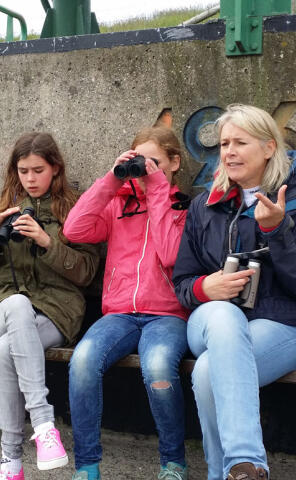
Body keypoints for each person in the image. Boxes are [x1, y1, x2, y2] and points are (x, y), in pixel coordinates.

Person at [172, 104, 296, 480]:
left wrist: (277, 231)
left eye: (240, 143)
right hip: (211, 319)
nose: (229, 152)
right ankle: (248, 459)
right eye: (224, 144)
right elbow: (183, 282)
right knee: (225, 314)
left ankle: (230, 473)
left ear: (269, 147)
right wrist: (205, 286)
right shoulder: (204, 205)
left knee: (206, 374)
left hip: (285, 322)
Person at [0, 132, 99, 480]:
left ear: (56, 168)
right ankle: (44, 424)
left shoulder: (75, 209)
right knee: (18, 304)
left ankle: (11, 461)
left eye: (38, 170)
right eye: (23, 171)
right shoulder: (5, 205)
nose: (30, 179)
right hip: (5, 306)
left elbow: (86, 272)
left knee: (4, 351)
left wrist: (47, 242)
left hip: (57, 310)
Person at [63, 126, 190, 480]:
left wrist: (158, 189)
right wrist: (111, 180)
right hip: (120, 313)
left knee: (158, 366)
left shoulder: (184, 207)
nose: (145, 169)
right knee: (83, 360)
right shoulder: (118, 204)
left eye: (154, 162)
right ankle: (87, 466)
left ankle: (173, 463)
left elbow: (171, 255)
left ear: (174, 163)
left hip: (167, 314)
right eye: (139, 161)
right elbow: (73, 230)